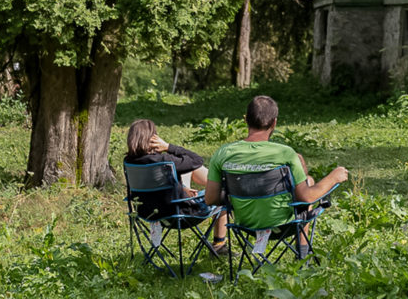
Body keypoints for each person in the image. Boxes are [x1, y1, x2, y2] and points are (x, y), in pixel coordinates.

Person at [204, 95, 348, 232]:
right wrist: (334, 177)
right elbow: (307, 197)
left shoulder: (222, 153)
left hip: (244, 226)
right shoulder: (286, 154)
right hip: (283, 225)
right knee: (308, 181)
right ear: (274, 123)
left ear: (246, 120)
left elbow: (210, 198)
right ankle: (303, 254)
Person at [124, 119, 228, 251]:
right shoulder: (165, 160)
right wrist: (169, 147)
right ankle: (219, 245)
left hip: (149, 213)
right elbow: (197, 160)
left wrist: (183, 189)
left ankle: (198, 186)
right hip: (179, 213)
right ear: (153, 139)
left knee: (187, 170)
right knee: (222, 196)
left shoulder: (128, 162)